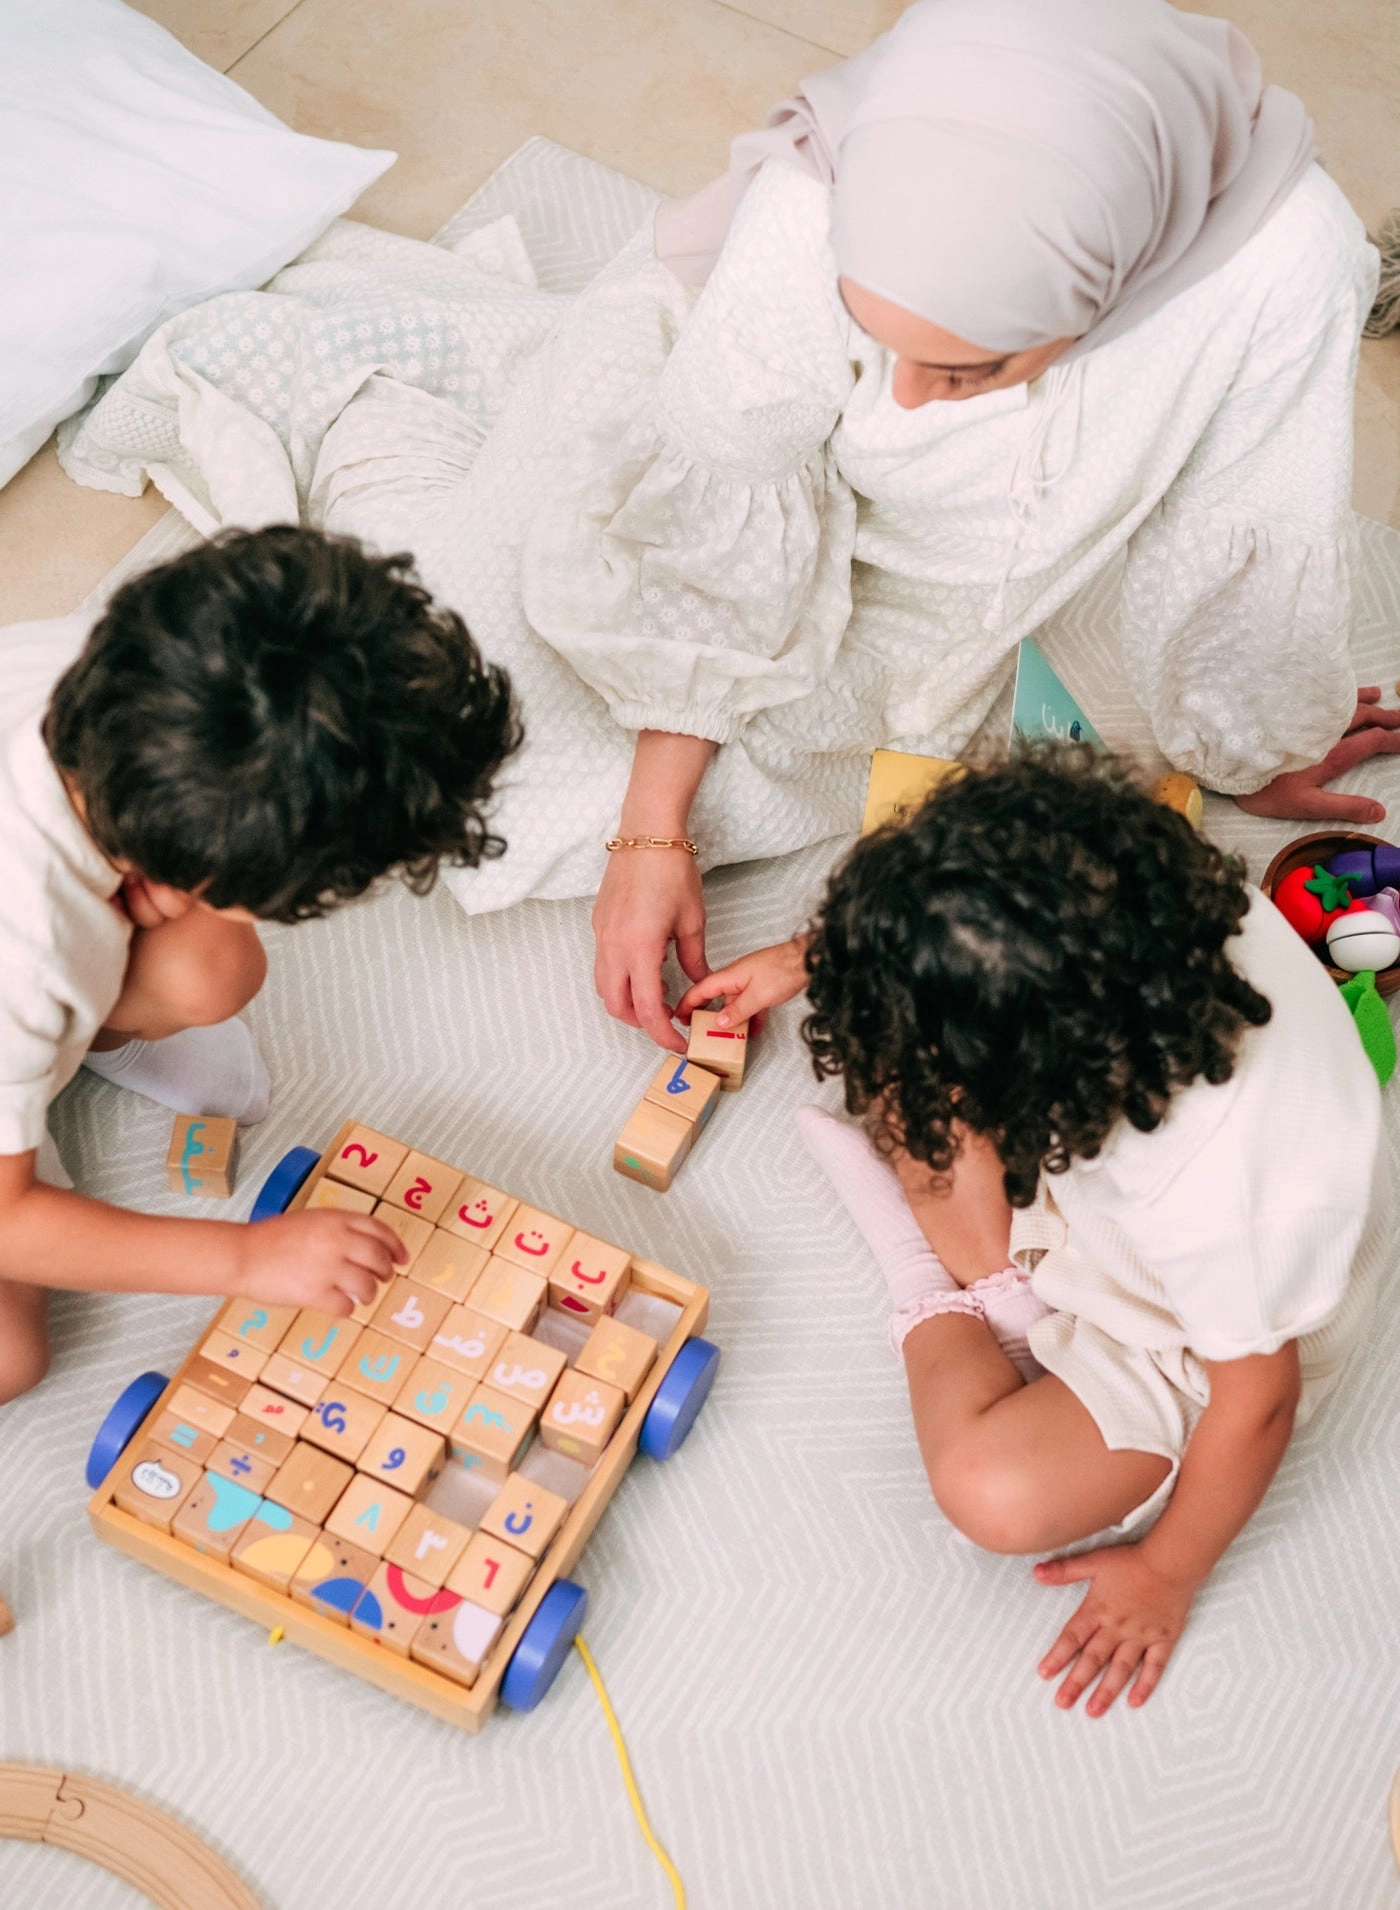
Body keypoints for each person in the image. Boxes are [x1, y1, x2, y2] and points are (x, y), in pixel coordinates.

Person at [57, 1, 1389, 1053]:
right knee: (497, 795)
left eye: (970, 371)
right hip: (743, 514)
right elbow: (724, 516)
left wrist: (1235, 734)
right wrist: (654, 828)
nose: (909, 407)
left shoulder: (1290, 269)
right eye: (884, 349)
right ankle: (391, 423)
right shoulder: (822, 203)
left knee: (941, 809)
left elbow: (1233, 545)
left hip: (977, 605)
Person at [672, 747, 1386, 1714]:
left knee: (991, 1495)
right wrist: (836, 954)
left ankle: (928, 1278)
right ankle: (1009, 1295)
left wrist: (1169, 1571)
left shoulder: (1237, 1196)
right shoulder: (1116, 894)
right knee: (896, 1068)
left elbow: (1257, 1401)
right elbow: (971, 904)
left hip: (1195, 1332)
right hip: (1104, 1181)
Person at [0, 525, 518, 1405]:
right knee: (13, 1358)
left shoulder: (127, 664)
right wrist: (246, 1256)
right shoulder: (26, 946)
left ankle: (70, 1049)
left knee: (213, 972)